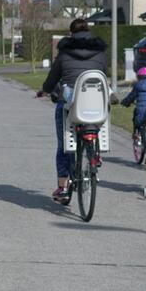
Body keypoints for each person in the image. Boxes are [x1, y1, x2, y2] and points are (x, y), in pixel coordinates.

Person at [37, 18, 109, 204]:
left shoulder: (64, 54)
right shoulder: (100, 54)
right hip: (95, 109)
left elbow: (53, 79)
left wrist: (45, 90)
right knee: (98, 120)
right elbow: (103, 75)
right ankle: (96, 153)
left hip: (71, 108)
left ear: (71, 34)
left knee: (63, 145)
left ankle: (62, 187)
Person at [121, 66, 146, 135]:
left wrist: (125, 103)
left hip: (141, 112)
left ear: (139, 77)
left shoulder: (137, 85)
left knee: (136, 115)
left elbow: (131, 97)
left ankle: (136, 133)